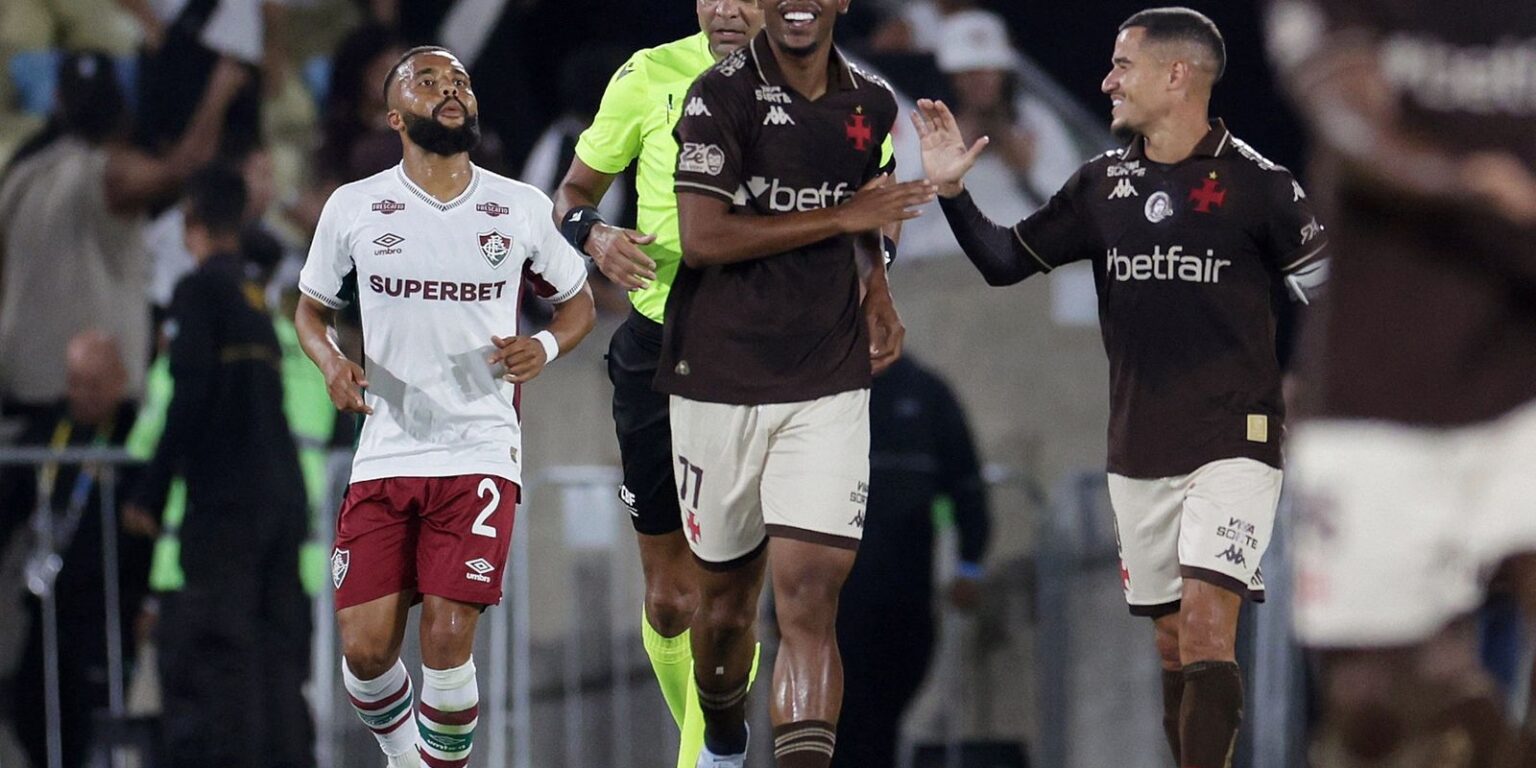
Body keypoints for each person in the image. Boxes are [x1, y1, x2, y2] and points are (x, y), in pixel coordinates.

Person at [913, 7, 1328, 766]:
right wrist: (951, 193)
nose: (1106, 80)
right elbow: (1006, 262)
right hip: (1138, 446)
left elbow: (1331, 299)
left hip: (1238, 441)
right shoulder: (1102, 186)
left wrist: (1313, 389)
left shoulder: (1263, 187)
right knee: (1173, 649)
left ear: (1178, 76)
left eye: (1123, 66)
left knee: (1208, 629)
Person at [294, 46, 596, 768]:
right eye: (427, 82)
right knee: (366, 652)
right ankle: (406, 758)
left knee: (448, 638)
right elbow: (309, 310)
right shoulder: (355, 206)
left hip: (480, 447)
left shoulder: (518, 205)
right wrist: (333, 362)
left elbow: (579, 302)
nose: (449, 90)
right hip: (388, 446)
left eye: (459, 81)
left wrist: (545, 348)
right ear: (396, 115)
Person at [1263, 1, 1536, 764]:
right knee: (1376, 707)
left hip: (1524, 366)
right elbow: (1345, 117)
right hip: (1383, 380)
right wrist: (1466, 185)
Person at [663, 1, 935, 763]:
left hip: (827, 377)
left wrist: (878, 286)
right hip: (719, 373)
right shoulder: (721, 94)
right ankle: (721, 733)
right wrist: (844, 216)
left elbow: (874, 205)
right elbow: (703, 237)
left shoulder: (872, 103)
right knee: (721, 611)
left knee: (811, 599)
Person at [549, 2, 766, 765]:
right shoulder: (647, 74)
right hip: (655, 348)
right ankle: (716, 748)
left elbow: (874, 205)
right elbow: (571, 196)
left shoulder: (817, 87)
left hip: (762, 353)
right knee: (672, 602)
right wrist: (596, 237)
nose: (728, 8)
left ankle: (713, 757)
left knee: (731, 601)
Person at [124, 166, 313, 768]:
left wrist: (148, 495)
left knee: (220, 662)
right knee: (277, 664)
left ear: (191, 226)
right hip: (281, 504)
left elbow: (189, 396)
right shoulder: (257, 299)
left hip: (226, 510)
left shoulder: (200, 292)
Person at [0, 52, 247, 417]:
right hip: (89, 398)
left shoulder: (20, 177)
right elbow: (187, 168)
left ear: (57, 100)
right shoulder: (106, 175)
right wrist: (220, 89)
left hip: (21, 385)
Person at [0, 331, 150, 768]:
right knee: (31, 705)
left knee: (99, 721)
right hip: (50, 604)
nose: (80, 393)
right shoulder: (52, 427)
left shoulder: (133, 430)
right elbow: (10, 500)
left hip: (109, 608)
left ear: (120, 380)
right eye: (74, 381)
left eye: (93, 383)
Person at [833, 353, 991, 768]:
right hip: (831, 604)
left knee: (881, 723)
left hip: (904, 599)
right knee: (836, 724)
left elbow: (969, 491)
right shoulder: (820, 389)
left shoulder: (925, 394)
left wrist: (969, 567)